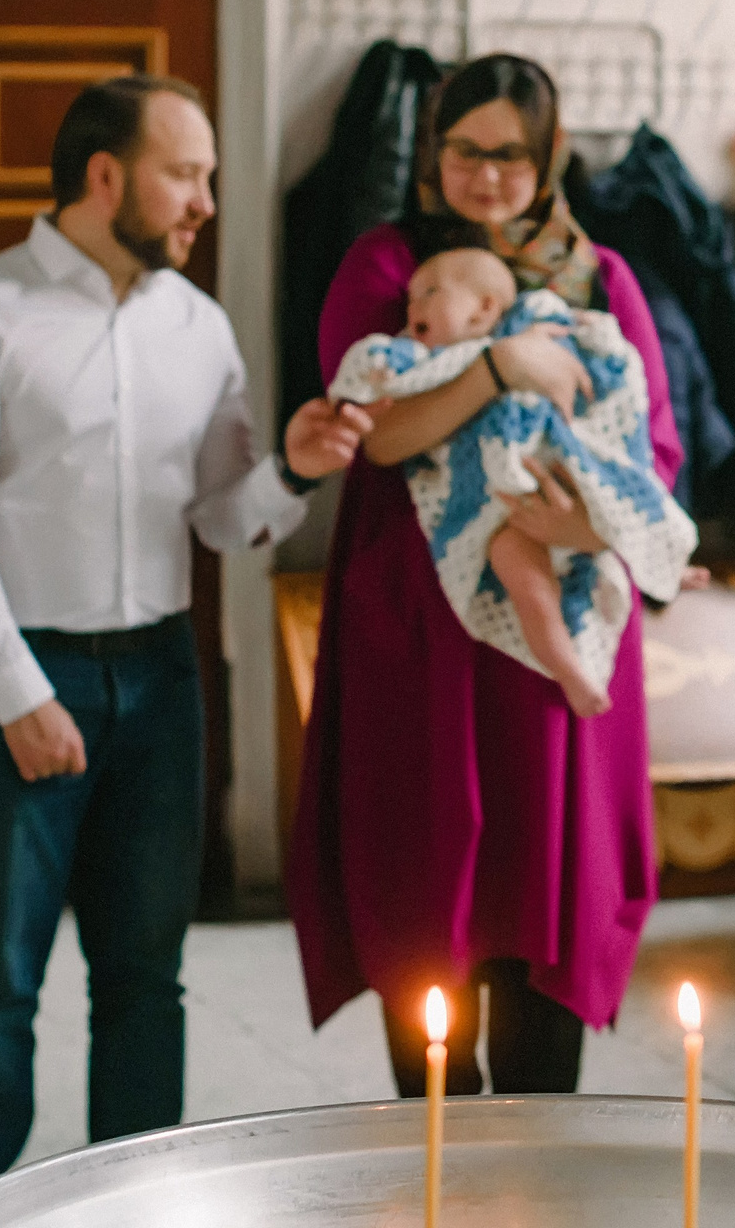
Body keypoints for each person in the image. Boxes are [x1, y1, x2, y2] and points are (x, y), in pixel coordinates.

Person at [0, 75, 372, 1211]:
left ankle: (134, 1217)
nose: (205, 199)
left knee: (146, 976)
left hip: (161, 680)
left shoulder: (196, 325)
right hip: (19, 671)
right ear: (106, 177)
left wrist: (294, 468)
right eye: (186, 172)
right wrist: (17, 692)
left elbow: (219, 514)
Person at [286, 54, 684, 1098]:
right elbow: (377, 429)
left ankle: (540, 1176)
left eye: (510, 152)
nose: (486, 174)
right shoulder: (388, 264)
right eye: (463, 149)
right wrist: (500, 368)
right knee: (426, 898)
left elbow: (654, 449)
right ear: (433, 152)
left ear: (548, 156)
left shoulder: (600, 278)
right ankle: (438, 1178)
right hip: (416, 638)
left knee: (542, 903)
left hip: (556, 644)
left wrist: (583, 520)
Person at [327, 246, 697, 717]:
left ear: (485, 307)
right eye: (411, 300)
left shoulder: (577, 293)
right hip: (485, 527)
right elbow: (369, 422)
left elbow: (637, 427)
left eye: (429, 295)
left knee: (624, 496)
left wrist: (591, 531)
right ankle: (569, 666)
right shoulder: (409, 331)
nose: (413, 308)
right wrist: (497, 367)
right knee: (525, 578)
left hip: (564, 486)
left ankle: (663, 562)